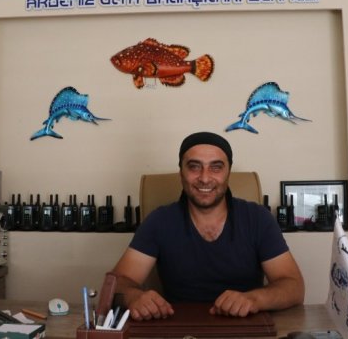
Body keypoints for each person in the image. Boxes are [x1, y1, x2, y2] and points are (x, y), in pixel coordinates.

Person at [111, 131, 305, 321]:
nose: (204, 178)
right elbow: (117, 282)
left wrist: (255, 299)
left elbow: (294, 287)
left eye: (216, 167)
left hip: (247, 326)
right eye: (194, 167)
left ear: (228, 173)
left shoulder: (258, 218)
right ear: (181, 173)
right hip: (179, 328)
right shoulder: (159, 221)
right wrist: (133, 297)